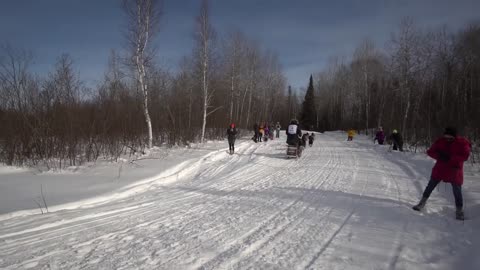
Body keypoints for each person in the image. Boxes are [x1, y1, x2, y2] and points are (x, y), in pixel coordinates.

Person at [412, 127, 471, 220]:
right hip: (440, 169)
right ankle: (421, 203)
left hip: (454, 170)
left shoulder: (462, 143)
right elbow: (430, 151)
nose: (447, 139)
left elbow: (465, 156)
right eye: (446, 137)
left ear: (454, 136)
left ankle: (459, 210)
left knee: (457, 190)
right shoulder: (440, 141)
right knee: (430, 185)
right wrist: (439, 156)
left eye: (449, 137)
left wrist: (451, 157)